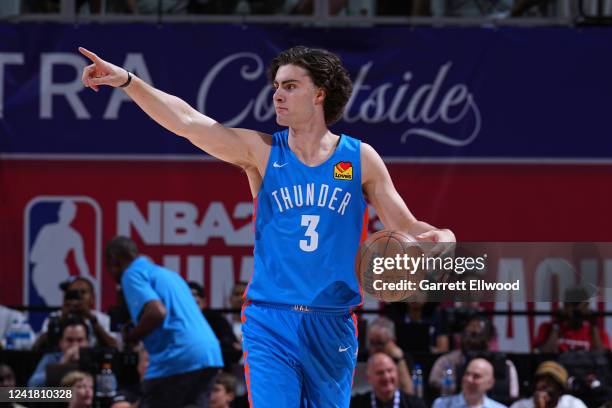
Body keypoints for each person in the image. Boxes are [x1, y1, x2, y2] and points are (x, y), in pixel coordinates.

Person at [80, 45, 455, 407]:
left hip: (333, 321)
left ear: (320, 94)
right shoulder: (261, 152)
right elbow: (189, 123)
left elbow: (406, 225)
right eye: (276, 86)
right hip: (270, 319)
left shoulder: (360, 159)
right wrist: (128, 81)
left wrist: (442, 236)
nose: (278, 94)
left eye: (290, 86)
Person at [105, 236, 223, 408]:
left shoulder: (131, 274)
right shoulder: (169, 275)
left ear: (115, 258)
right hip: (209, 355)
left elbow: (157, 312)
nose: (111, 272)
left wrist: (132, 336)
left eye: (109, 266)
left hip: (177, 356)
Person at [429, 316, 519, 399]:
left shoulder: (506, 365)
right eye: (470, 333)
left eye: (477, 334)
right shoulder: (447, 361)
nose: (473, 338)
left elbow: (513, 395)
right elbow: (434, 382)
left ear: (489, 338)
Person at [36, 276, 117, 350]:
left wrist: (92, 320)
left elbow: (114, 346)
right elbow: (37, 347)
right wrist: (61, 320)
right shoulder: (55, 317)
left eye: (83, 292)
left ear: (93, 298)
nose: (78, 297)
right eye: (73, 293)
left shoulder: (102, 319)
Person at [535, 285, 610, 352]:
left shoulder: (599, 333)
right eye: (573, 304)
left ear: (586, 306)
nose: (576, 309)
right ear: (565, 305)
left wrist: (593, 325)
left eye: (578, 304)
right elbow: (545, 355)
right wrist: (556, 325)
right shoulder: (547, 328)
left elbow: (603, 359)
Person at [188, 281, 241, 365]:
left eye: (196, 295)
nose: (193, 299)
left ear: (203, 300)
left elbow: (233, 347)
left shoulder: (215, 318)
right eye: (188, 295)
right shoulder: (176, 321)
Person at [28, 317, 90, 387]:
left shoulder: (93, 359)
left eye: (80, 340)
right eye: (70, 340)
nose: (75, 345)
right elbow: (33, 385)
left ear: (87, 342)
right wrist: (61, 365)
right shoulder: (51, 358)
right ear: (61, 342)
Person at [351, 352, 426, 408]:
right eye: (380, 373)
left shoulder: (415, 405)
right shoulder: (356, 404)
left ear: (397, 373)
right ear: (369, 378)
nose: (386, 377)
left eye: (390, 370)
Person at [432, 358, 507, 408]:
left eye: (476, 376)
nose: (469, 379)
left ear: (490, 383)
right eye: (467, 374)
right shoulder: (442, 405)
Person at [367, 316, 414, 394]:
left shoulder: (403, 359)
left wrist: (399, 359)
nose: (374, 348)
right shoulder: (364, 357)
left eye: (380, 343)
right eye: (372, 343)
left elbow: (408, 393)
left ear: (392, 342)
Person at [510, 361, 587, 408]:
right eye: (541, 379)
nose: (544, 385)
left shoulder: (572, 404)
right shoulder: (521, 405)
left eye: (550, 382)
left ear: (560, 389)